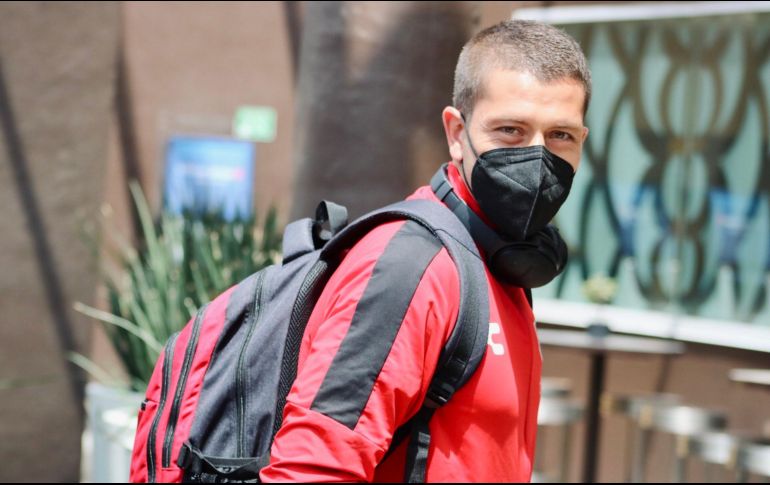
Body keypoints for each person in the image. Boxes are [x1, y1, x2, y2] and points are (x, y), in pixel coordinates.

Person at [260, 19, 591, 482]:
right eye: (511, 130)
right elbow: (312, 468)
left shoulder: (503, 262)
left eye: (561, 136)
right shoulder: (411, 266)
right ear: (457, 133)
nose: (537, 156)